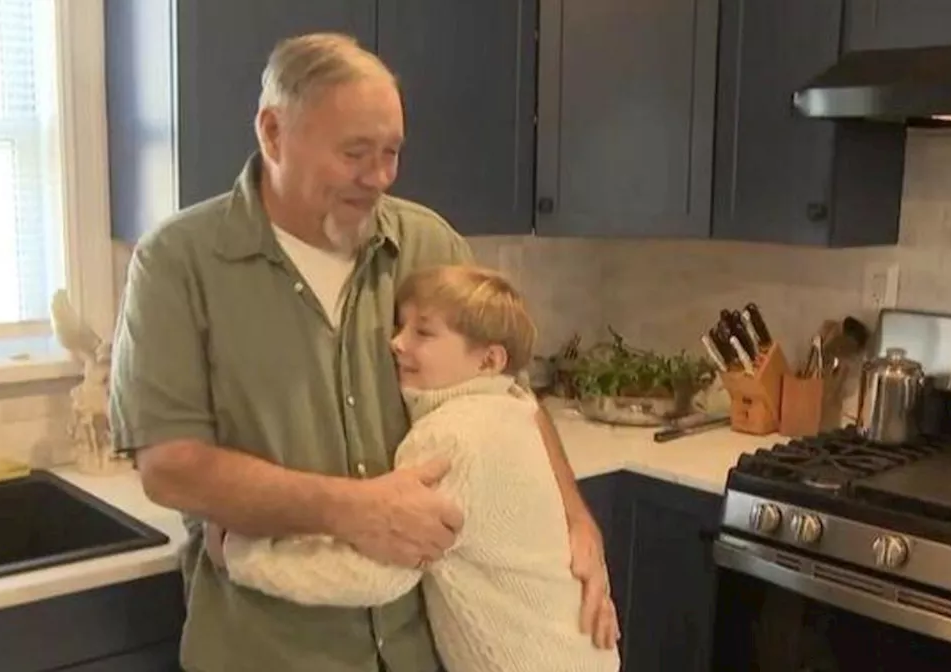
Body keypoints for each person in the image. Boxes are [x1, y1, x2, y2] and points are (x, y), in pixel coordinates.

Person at [109, 32, 617, 672]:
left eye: (392, 153)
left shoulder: (428, 243)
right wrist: (353, 510)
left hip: (419, 649)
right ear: (273, 133)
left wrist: (577, 522)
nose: (378, 177)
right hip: (269, 653)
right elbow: (171, 468)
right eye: (355, 153)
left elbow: (507, 397)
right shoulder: (177, 264)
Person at [214, 264, 621, 672]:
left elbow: (378, 573)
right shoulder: (512, 410)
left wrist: (244, 554)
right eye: (400, 326)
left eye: (423, 332)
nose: (396, 343)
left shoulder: (451, 438)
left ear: (488, 360)